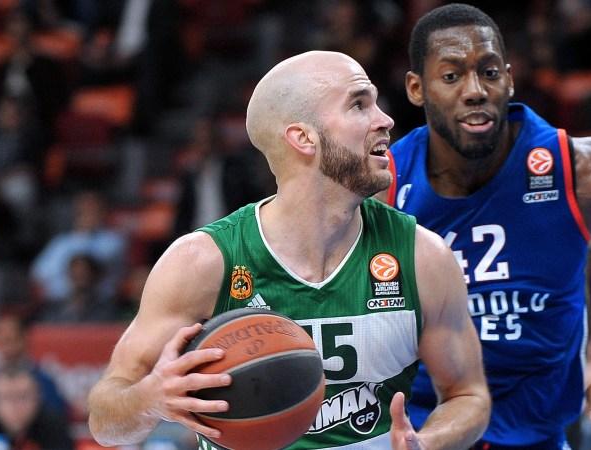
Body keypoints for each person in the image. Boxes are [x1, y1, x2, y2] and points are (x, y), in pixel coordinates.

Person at [87, 50, 490, 450]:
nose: (385, 120)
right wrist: (150, 399)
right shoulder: (204, 262)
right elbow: (105, 420)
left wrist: (428, 443)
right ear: (303, 138)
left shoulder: (421, 256)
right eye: (358, 105)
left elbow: (468, 395)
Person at [384, 4, 591, 449]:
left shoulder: (588, 173)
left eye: (489, 72)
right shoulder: (382, 190)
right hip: (424, 432)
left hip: (537, 433)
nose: (475, 91)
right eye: (451, 76)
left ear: (509, 79)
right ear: (416, 88)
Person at [0, 314, 67, 423]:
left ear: (24, 338)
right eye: (1, 340)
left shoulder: (44, 381)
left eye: (11, 339)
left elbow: (56, 415)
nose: (7, 347)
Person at [0, 365, 74, 450]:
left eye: (22, 397)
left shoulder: (53, 425)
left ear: (37, 397)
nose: (14, 406)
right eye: (6, 397)